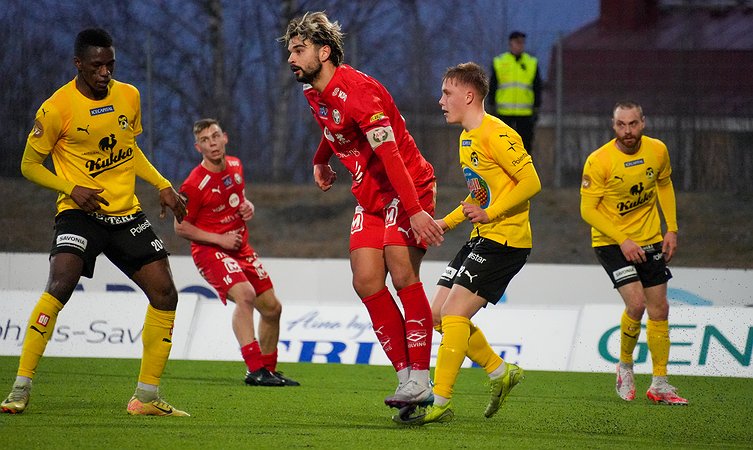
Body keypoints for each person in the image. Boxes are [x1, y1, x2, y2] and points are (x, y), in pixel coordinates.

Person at [1, 28, 189, 416]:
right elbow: (29, 165)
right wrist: (71, 187)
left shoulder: (129, 95)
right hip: (79, 213)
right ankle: (20, 387)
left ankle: (146, 397)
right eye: (97, 65)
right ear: (79, 64)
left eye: (110, 65)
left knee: (165, 294)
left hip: (125, 214)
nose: (105, 72)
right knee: (60, 284)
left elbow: (128, 150)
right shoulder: (56, 108)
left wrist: (162, 183)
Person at [280, 11, 444, 409]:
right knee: (366, 281)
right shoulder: (314, 92)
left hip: (407, 187)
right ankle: (406, 382)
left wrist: (415, 210)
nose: (291, 58)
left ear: (324, 52)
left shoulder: (359, 92)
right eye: (290, 51)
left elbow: (390, 155)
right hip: (371, 197)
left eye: (299, 50)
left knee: (402, 273)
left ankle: (421, 380)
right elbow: (333, 127)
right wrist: (321, 160)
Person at [394, 62, 541, 425]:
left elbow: (531, 181)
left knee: (454, 314)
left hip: (506, 240)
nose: (441, 100)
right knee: (437, 316)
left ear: (469, 96)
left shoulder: (498, 134)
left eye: (447, 93)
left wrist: (492, 214)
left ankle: (440, 400)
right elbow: (479, 196)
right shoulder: (466, 139)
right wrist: (445, 222)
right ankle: (500, 371)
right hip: (482, 237)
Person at [174, 119, 299, 387]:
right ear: (198, 147)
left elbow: (236, 200)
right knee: (245, 295)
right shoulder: (194, 184)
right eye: (205, 140)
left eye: (215, 136)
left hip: (240, 248)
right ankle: (255, 370)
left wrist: (247, 205)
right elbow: (180, 226)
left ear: (225, 138)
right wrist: (219, 238)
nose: (212, 143)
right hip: (210, 251)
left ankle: (268, 371)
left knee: (272, 308)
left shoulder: (235, 165)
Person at [580, 101, 688, 406]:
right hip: (611, 242)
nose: (627, 131)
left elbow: (664, 184)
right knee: (637, 303)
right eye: (621, 125)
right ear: (613, 126)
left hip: (650, 238)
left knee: (660, 309)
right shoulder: (599, 160)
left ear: (643, 123)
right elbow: (587, 210)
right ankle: (625, 366)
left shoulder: (657, 150)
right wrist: (623, 240)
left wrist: (672, 228)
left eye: (633, 124)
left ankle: (660, 384)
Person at [488, 31, 541, 153]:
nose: (520, 45)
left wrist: (536, 108)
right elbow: (493, 85)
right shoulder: (500, 62)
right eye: (517, 42)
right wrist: (491, 105)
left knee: (525, 147)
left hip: (525, 113)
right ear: (510, 43)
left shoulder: (531, 63)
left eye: (522, 43)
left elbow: (537, 87)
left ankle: (524, 165)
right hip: (504, 112)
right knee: (503, 145)